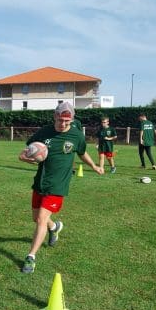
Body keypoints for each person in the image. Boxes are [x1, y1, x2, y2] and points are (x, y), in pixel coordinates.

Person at [19, 102, 104, 274]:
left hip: (58, 185)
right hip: (41, 181)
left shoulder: (77, 136)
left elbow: (82, 152)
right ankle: (54, 227)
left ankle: (31, 257)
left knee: (42, 218)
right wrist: (23, 156)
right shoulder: (44, 132)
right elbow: (27, 149)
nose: (63, 124)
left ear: (72, 119)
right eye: (60, 120)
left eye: (67, 121)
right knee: (36, 218)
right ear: (55, 116)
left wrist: (94, 166)